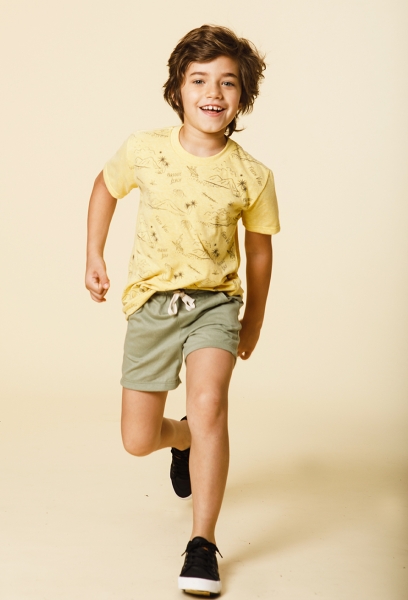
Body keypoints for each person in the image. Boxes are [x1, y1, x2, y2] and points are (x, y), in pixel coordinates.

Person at [85, 24, 280, 597]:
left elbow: (259, 254)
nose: (213, 92)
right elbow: (104, 187)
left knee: (209, 402)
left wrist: (253, 319)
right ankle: (182, 439)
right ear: (178, 89)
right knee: (137, 438)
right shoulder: (145, 149)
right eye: (199, 80)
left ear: (243, 95)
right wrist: (94, 253)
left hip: (215, 304)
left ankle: (202, 542)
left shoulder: (253, 175)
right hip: (152, 305)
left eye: (228, 82)